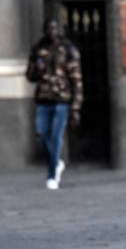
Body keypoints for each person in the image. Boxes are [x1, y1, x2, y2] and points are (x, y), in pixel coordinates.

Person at [26, 19, 83, 190]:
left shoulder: (68, 49)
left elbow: (76, 79)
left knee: (57, 136)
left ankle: (52, 176)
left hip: (62, 98)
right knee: (41, 135)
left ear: (59, 30)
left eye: (54, 28)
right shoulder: (38, 48)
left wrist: (76, 106)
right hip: (43, 98)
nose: (51, 31)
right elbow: (30, 75)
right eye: (48, 28)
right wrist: (37, 68)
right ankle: (56, 162)